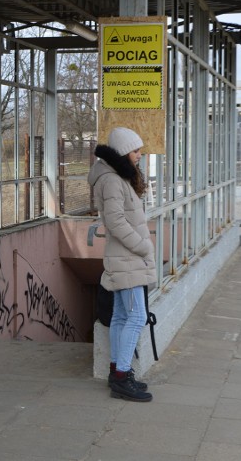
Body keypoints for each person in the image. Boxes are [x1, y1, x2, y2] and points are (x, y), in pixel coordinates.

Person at [87, 127, 156, 402]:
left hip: (123, 256)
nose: (139, 155)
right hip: (127, 257)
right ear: (123, 152)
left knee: (120, 317)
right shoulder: (113, 181)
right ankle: (122, 377)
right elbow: (115, 222)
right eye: (135, 151)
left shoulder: (115, 176)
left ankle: (117, 370)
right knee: (137, 316)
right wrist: (143, 245)